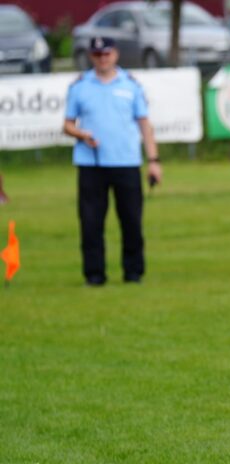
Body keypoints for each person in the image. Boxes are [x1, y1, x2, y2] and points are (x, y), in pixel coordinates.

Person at [62, 36, 161, 286]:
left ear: (115, 54)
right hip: (91, 164)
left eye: (106, 54)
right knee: (91, 222)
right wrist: (81, 135)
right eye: (97, 55)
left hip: (126, 161)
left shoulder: (131, 85)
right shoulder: (80, 86)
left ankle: (133, 272)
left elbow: (145, 125)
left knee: (131, 221)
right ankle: (94, 275)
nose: (102, 59)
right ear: (91, 56)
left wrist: (153, 160)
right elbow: (67, 124)